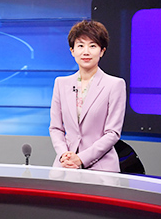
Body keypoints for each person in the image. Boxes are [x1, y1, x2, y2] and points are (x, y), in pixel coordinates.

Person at [49, 20, 126, 172]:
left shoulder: (115, 85)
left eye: (92, 46)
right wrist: (64, 155)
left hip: (101, 168)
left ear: (102, 51)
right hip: (65, 166)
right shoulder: (61, 83)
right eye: (80, 46)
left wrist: (81, 158)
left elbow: (113, 133)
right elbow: (56, 128)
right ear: (72, 51)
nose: (86, 52)